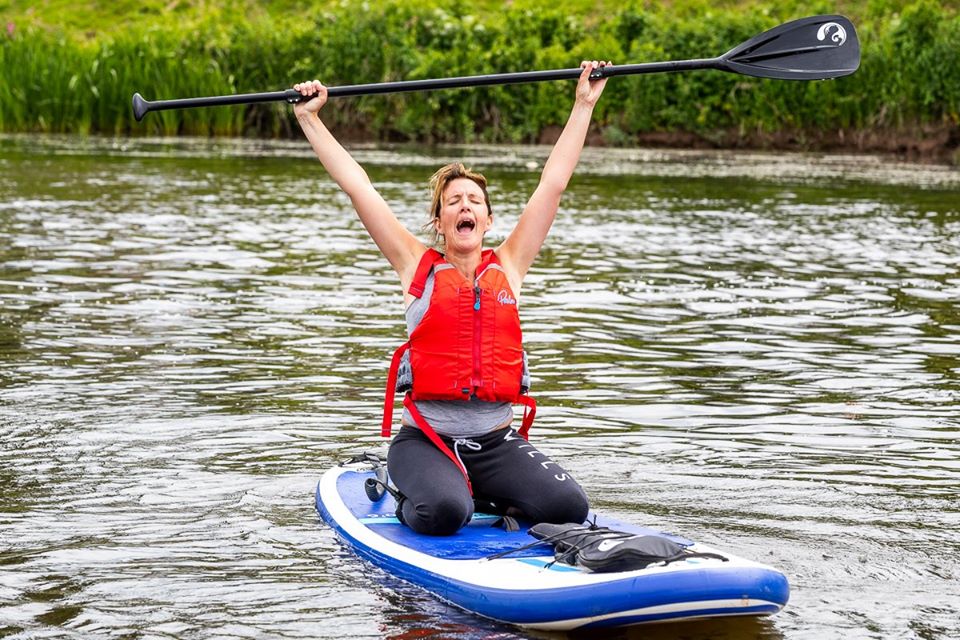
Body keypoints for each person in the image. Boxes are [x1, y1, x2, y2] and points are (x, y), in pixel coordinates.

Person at [293, 60, 611, 536]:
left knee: (568, 507)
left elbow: (554, 182)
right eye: (453, 202)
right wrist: (310, 118)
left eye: (474, 202)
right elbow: (358, 186)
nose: (465, 206)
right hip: (426, 441)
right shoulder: (414, 265)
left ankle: (482, 492)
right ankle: (412, 492)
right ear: (439, 222)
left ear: (486, 221)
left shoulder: (509, 265)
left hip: (495, 443)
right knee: (444, 513)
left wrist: (584, 102)